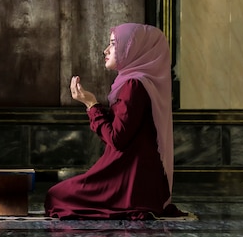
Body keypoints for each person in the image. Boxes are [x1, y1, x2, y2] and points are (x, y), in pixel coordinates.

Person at [44, 23, 187, 220]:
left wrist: (91, 104)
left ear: (134, 49)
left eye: (113, 44)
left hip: (130, 179)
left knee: (56, 197)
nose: (106, 50)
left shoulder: (134, 85)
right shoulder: (138, 82)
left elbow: (117, 139)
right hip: (138, 176)